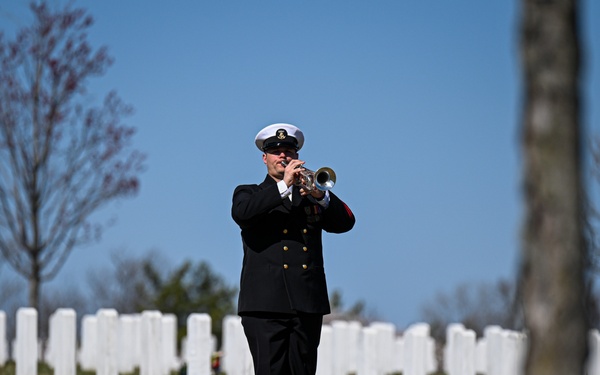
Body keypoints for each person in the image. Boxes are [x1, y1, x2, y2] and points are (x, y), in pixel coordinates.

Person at [231, 123, 356, 375]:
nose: (283, 156)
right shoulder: (249, 193)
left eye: (289, 151)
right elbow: (243, 213)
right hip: (264, 306)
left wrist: (321, 196)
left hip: (307, 305)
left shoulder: (311, 196)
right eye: (276, 151)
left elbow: (346, 222)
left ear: (297, 156)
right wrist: (283, 186)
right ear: (264, 157)